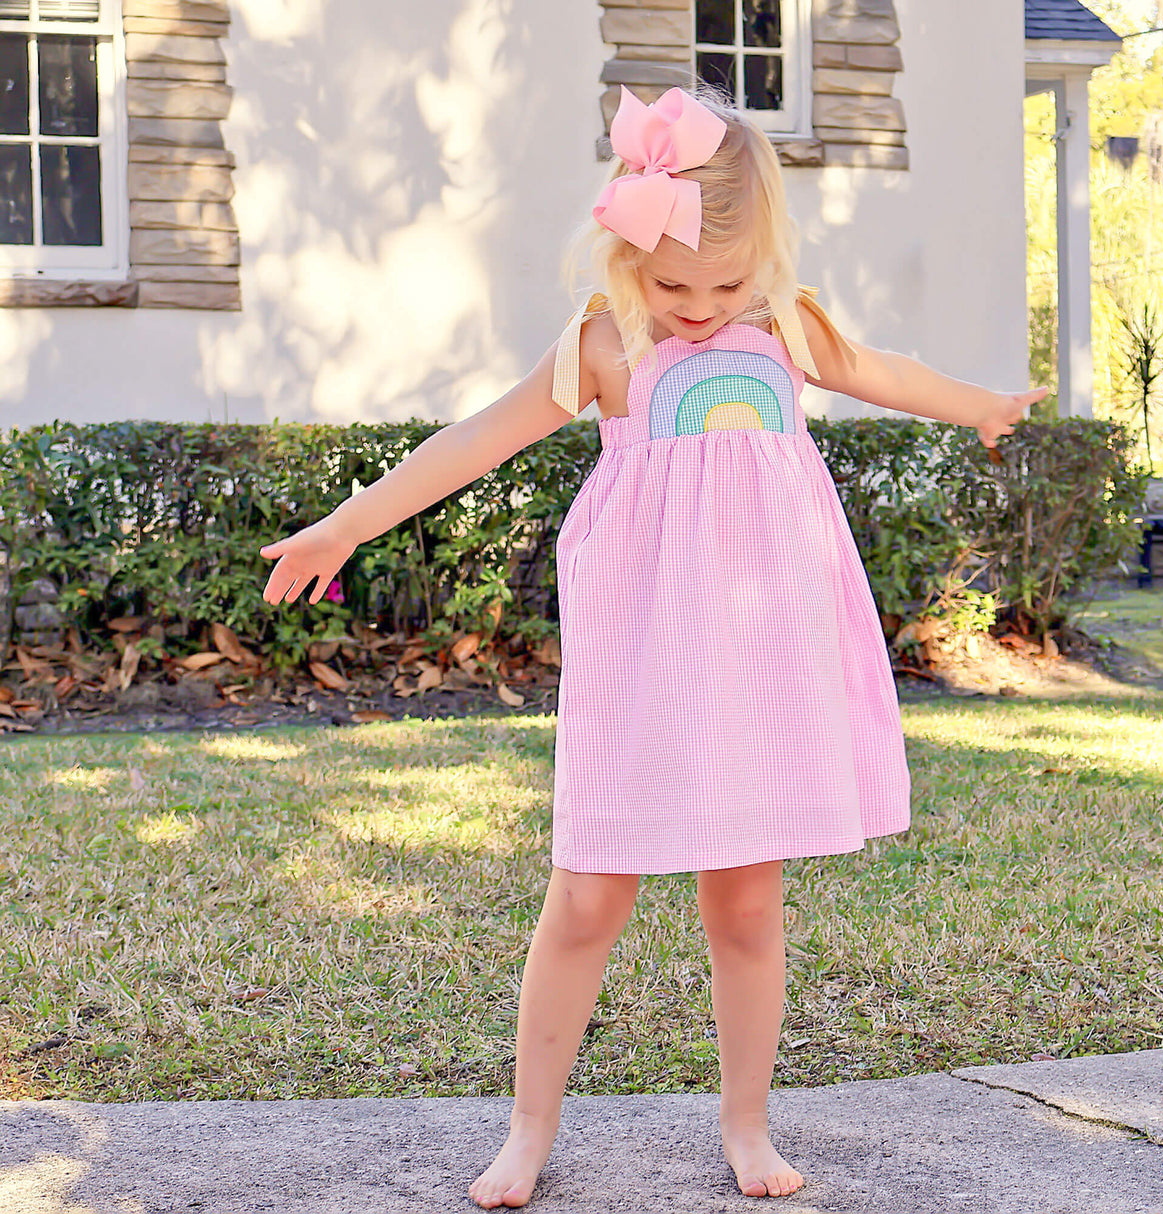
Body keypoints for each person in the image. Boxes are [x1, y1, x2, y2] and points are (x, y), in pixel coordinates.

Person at [260, 85, 1045, 1210]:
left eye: (723, 283)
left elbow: (885, 372)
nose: (697, 305)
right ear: (628, 256)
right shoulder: (604, 345)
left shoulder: (784, 329)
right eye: (672, 282)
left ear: (762, 260)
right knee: (587, 894)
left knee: (746, 902)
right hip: (642, 662)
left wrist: (974, 405)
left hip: (761, 665)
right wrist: (347, 521)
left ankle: (745, 1120)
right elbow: (474, 439)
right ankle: (528, 1128)